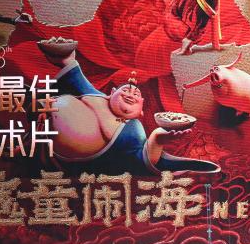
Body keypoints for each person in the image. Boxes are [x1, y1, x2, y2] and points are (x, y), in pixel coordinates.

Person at [36, 37, 219, 175]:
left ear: (141, 112)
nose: (131, 94)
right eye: (125, 90)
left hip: (59, 155)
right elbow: (77, 76)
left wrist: (157, 138)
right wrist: (66, 56)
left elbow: (141, 159)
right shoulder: (97, 97)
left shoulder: (132, 130)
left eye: (136, 95)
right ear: (111, 93)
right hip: (39, 129)